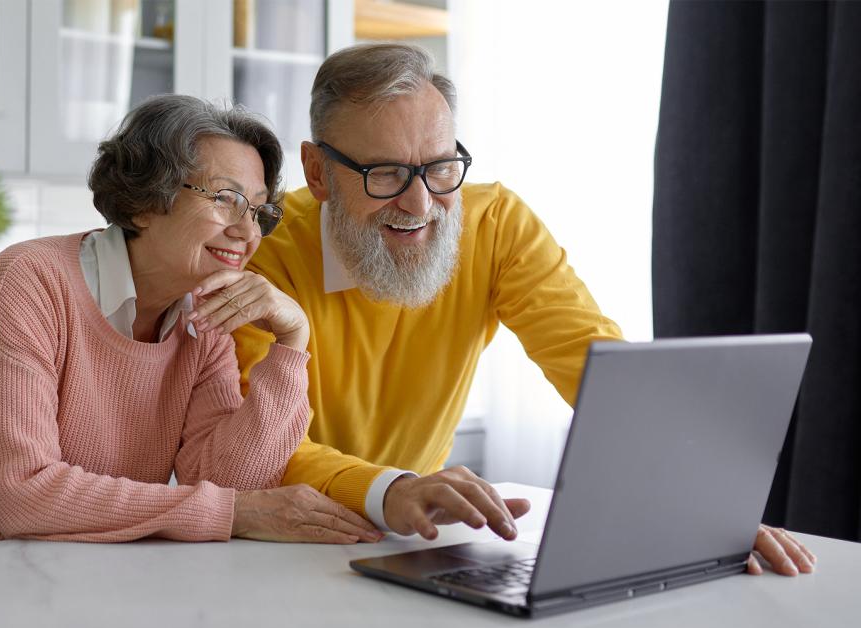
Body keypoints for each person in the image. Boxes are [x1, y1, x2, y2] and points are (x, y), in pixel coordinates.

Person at [219, 43, 816, 576]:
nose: (421, 203)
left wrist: (706, 508)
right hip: (274, 542)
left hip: (414, 541)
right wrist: (390, 487)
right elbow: (248, 442)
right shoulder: (258, 253)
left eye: (440, 167)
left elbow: (600, 368)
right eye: (387, 174)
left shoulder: (496, 224)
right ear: (318, 172)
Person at [0, 95, 381, 551]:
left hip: (66, 583)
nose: (248, 231)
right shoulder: (28, 283)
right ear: (144, 202)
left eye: (258, 209)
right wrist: (229, 513)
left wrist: (293, 343)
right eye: (226, 198)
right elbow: (25, 494)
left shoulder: (202, 318)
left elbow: (232, 484)